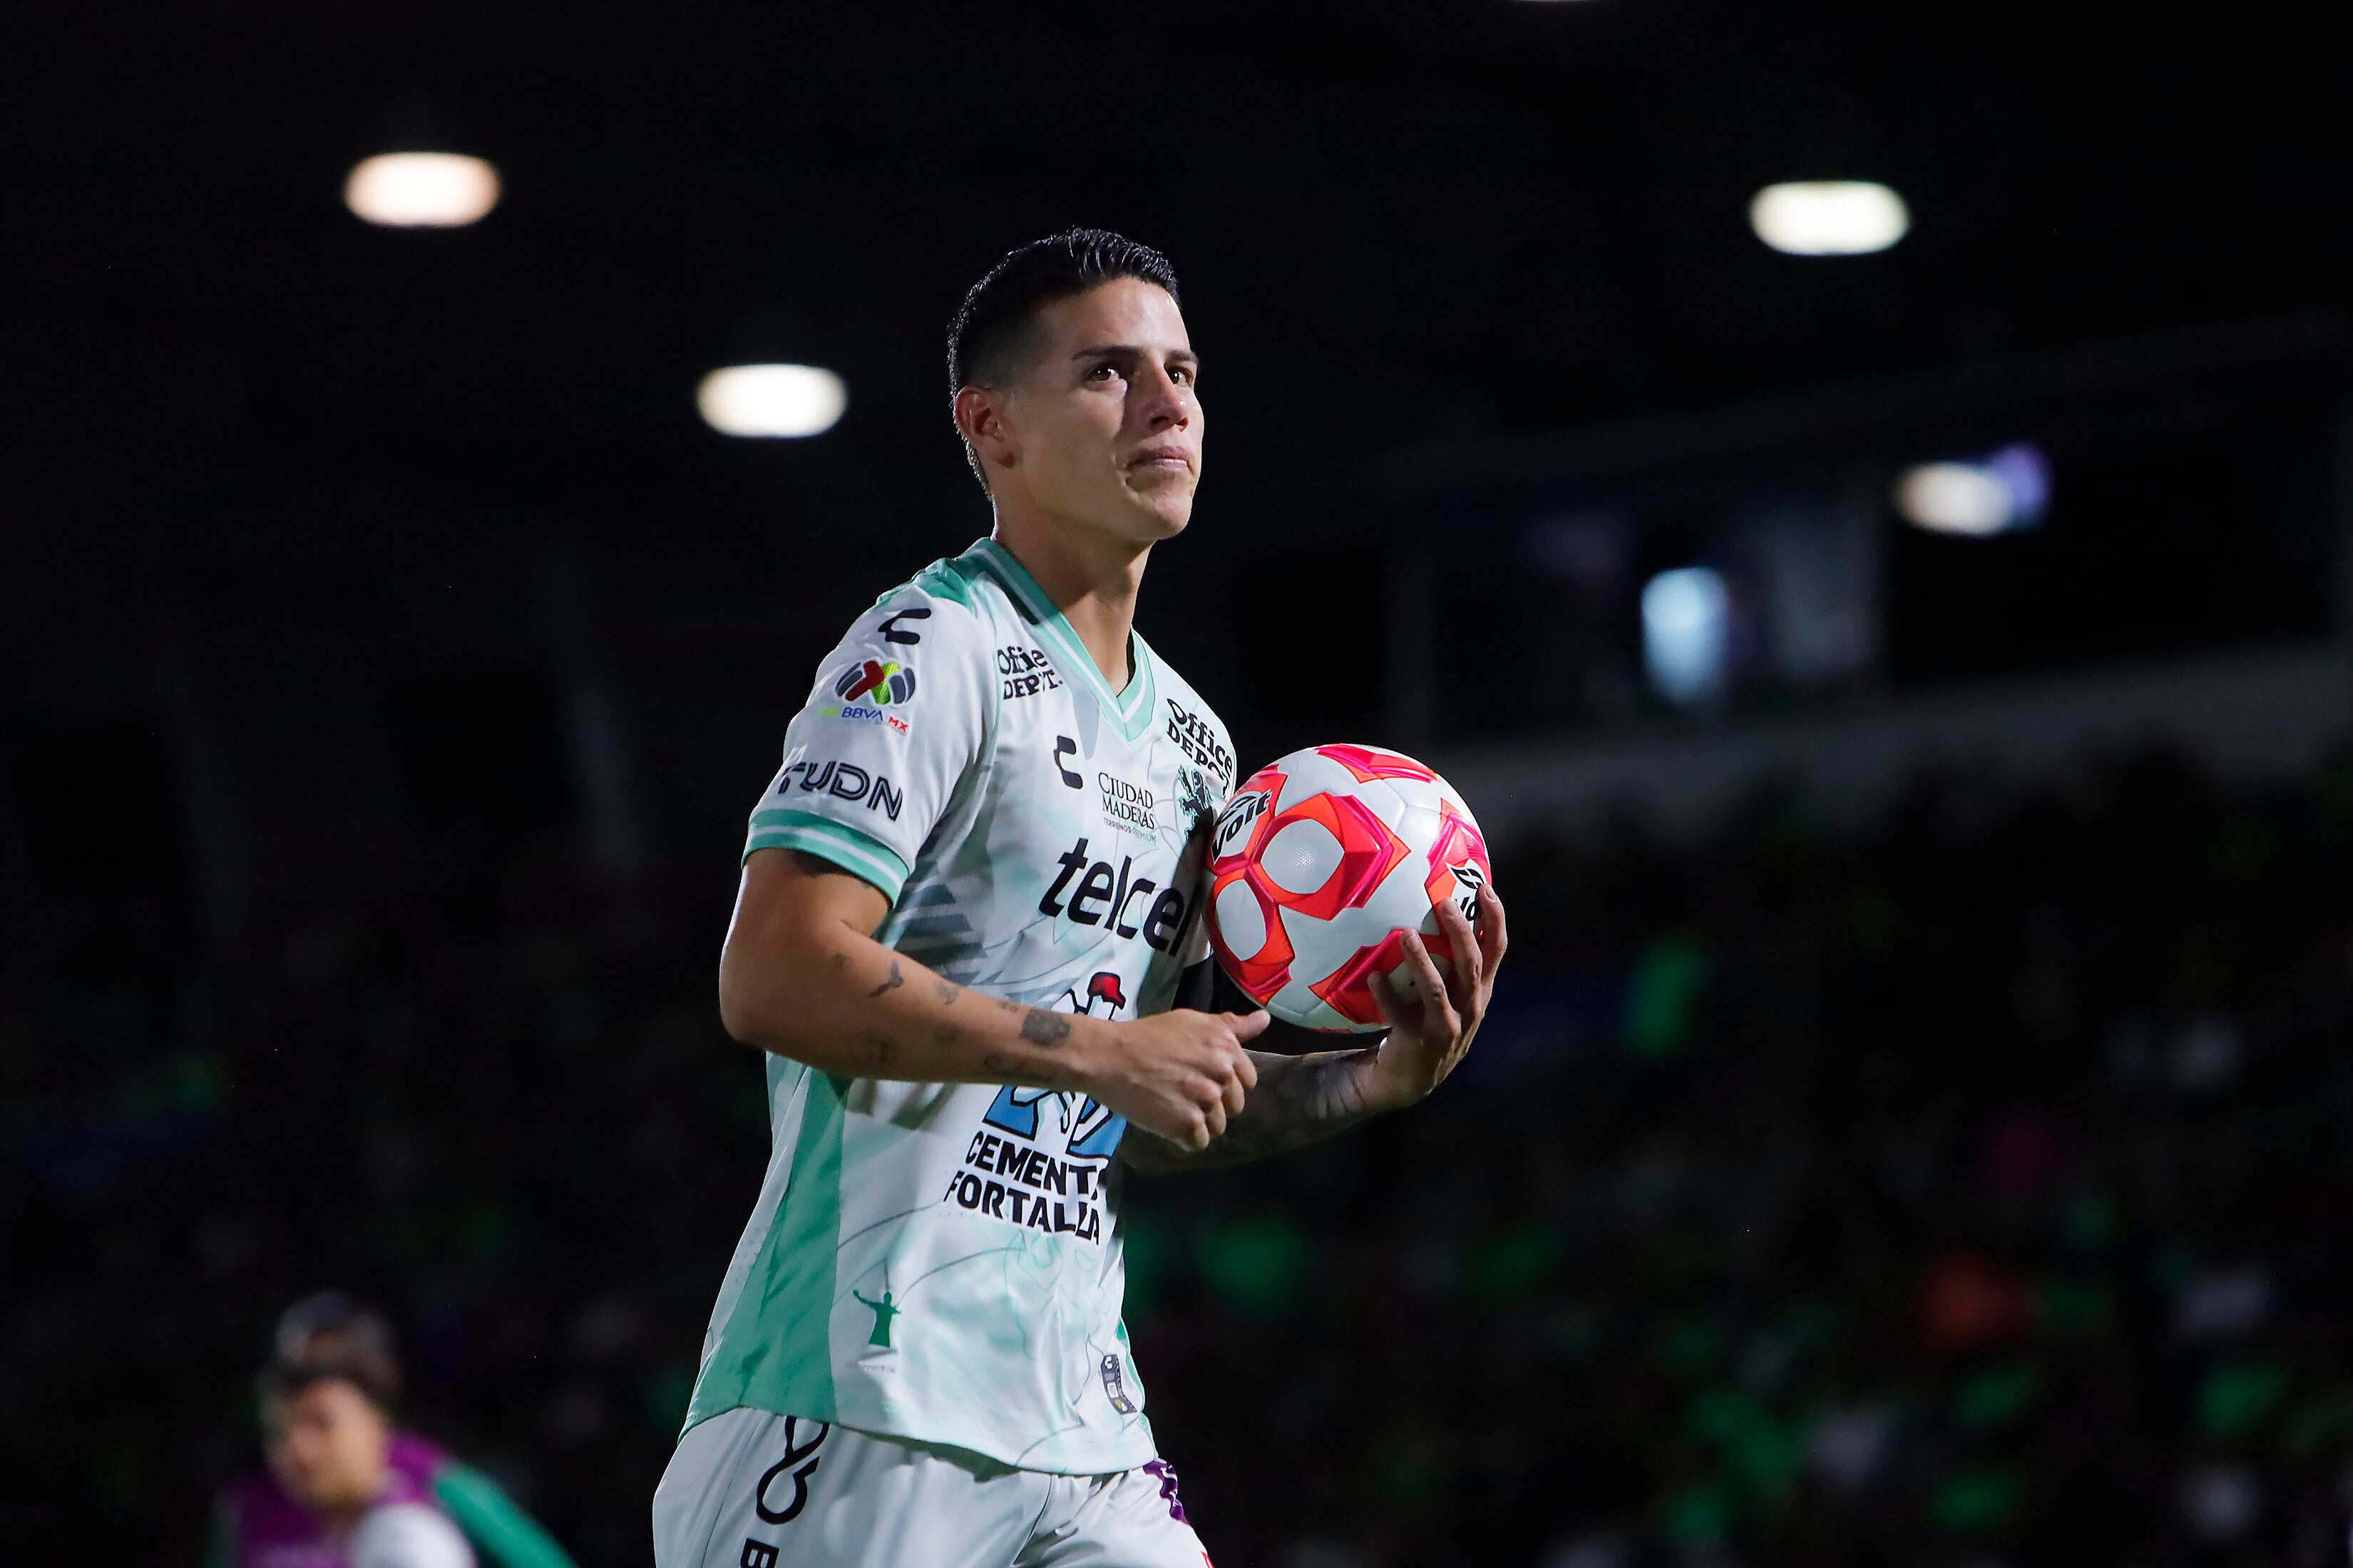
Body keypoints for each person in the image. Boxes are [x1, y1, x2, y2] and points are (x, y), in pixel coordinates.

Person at [652, 228, 1507, 1568]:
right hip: (858, 1401)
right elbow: (775, 974)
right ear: (988, 426)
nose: (1169, 403)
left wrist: (1358, 1084)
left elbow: (1135, 1110)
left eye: (1183, 370)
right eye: (1111, 372)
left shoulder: (1198, 746)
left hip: (1082, 1429)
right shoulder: (932, 646)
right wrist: (1105, 1048)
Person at [212, 1292, 577, 1568]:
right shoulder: (247, 1506)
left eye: (322, 1422)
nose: (300, 1447)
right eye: (282, 1429)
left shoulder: (432, 1489)